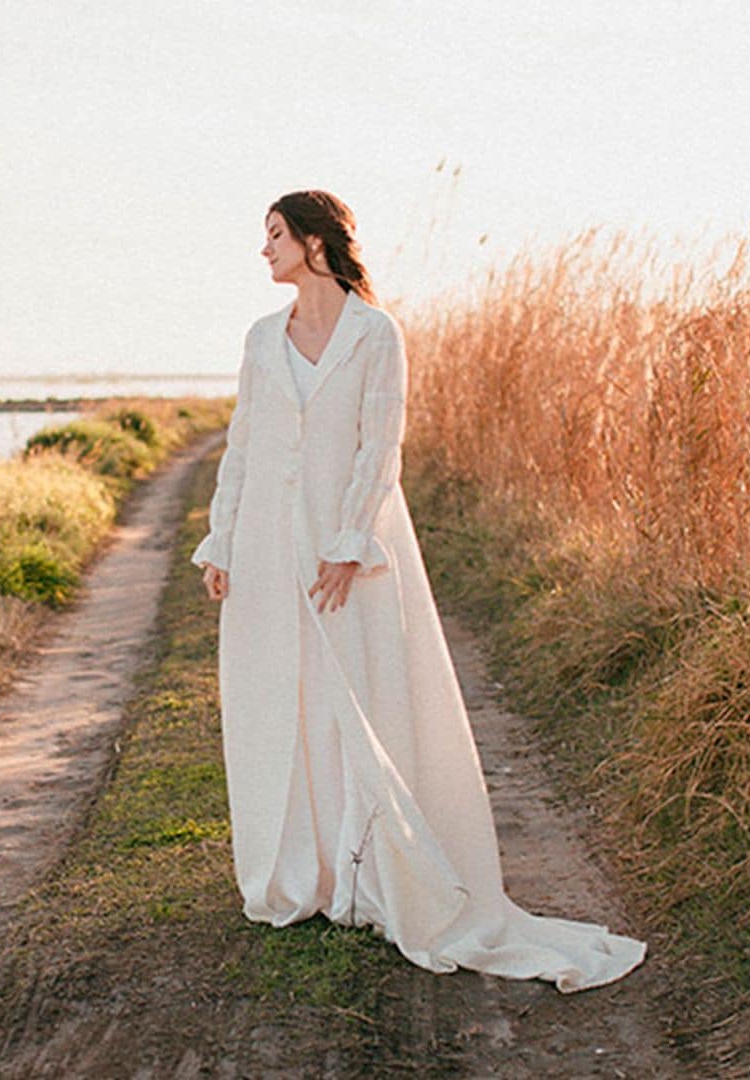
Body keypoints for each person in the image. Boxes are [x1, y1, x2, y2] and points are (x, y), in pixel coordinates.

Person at [189, 189, 647, 992]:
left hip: (350, 552)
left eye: (274, 235)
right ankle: (308, 875)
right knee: (281, 702)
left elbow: (381, 448)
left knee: (362, 697)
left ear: (315, 242)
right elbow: (243, 447)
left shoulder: (376, 334)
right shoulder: (262, 340)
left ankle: (377, 872)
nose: (263, 250)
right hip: (264, 542)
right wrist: (220, 541)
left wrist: (343, 544)